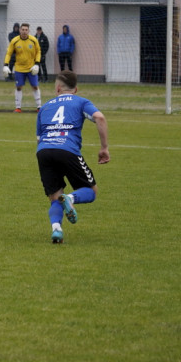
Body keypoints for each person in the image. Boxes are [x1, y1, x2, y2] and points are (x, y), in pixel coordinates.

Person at [36, 70, 109, 244]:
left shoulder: (45, 107)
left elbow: (39, 138)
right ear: (75, 89)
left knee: (54, 196)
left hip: (44, 151)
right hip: (67, 149)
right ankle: (70, 198)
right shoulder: (81, 102)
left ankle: (57, 230)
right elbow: (99, 117)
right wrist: (104, 147)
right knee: (91, 191)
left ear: (58, 88)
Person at [3, 22, 42, 112]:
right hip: (19, 68)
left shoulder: (34, 40)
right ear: (20, 30)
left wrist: (37, 64)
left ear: (29, 31)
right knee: (19, 87)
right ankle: (18, 108)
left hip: (31, 68)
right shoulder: (15, 41)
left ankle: (39, 107)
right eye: (23, 30)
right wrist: (6, 65)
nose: (24, 32)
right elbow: (8, 53)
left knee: (35, 86)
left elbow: (38, 52)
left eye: (26, 30)